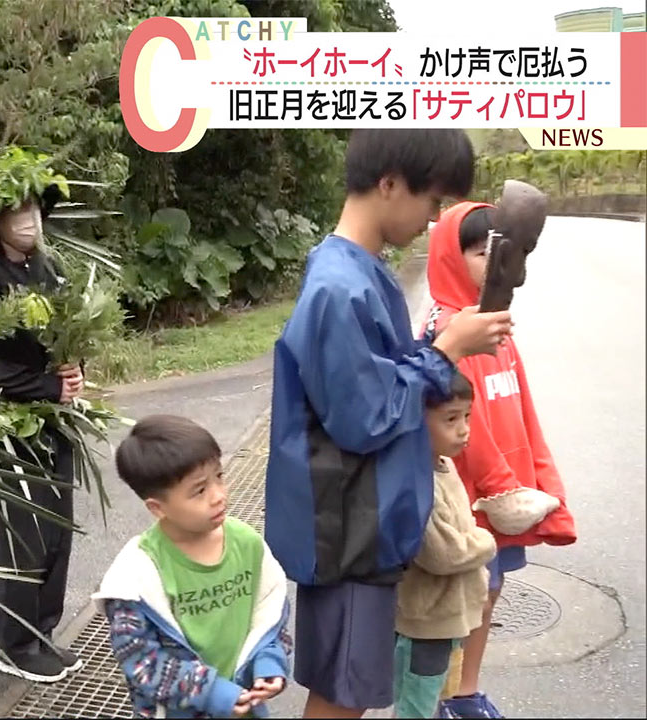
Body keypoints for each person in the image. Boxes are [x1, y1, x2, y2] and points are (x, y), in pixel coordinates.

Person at [262, 129, 515, 719]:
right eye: (431, 204)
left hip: (363, 522)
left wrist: (438, 346)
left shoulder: (360, 270)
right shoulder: (340, 286)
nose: (431, 221)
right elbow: (363, 416)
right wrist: (446, 350)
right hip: (349, 525)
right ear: (391, 184)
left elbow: (378, 374)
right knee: (342, 693)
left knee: (351, 684)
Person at [421, 201, 577, 719]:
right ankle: (438, 697)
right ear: (449, 254)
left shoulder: (493, 322)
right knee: (459, 600)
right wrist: (500, 484)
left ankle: (465, 691)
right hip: (470, 498)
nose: (490, 261)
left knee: (489, 592)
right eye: (477, 251)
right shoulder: (447, 330)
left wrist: (539, 474)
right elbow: (465, 425)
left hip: (505, 494)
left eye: (497, 250)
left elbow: (521, 407)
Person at [92, 415, 289, 718]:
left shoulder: (248, 545)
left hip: (247, 709)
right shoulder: (136, 577)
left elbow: (269, 616)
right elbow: (142, 664)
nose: (219, 495)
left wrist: (269, 664)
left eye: (219, 476)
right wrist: (210, 693)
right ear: (157, 508)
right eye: (199, 490)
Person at [0, 187, 85, 683]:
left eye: (34, 209)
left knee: (57, 530)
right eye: (16, 210)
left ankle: (42, 631)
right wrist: (46, 386)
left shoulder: (50, 268)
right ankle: (12, 643)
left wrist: (75, 372)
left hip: (53, 423)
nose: (29, 220)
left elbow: (70, 337)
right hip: (6, 426)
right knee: (25, 535)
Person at [393, 371, 497, 719]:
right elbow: (444, 553)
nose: (464, 428)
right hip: (428, 622)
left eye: (467, 416)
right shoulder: (416, 480)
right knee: (416, 706)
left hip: (452, 616)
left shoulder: (444, 465)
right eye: (450, 419)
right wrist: (487, 540)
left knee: (437, 695)